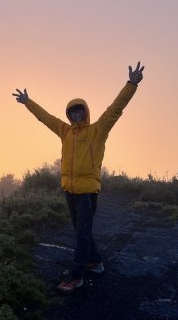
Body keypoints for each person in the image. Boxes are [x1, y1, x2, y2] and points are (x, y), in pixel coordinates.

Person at [12, 62, 145, 293]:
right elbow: (46, 118)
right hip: (69, 189)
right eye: (73, 111)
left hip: (87, 191)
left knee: (82, 234)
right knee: (80, 231)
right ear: (69, 114)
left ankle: (77, 276)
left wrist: (131, 84)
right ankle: (95, 262)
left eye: (80, 110)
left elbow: (115, 109)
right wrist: (28, 103)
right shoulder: (65, 132)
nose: (76, 114)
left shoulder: (98, 130)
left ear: (86, 112)